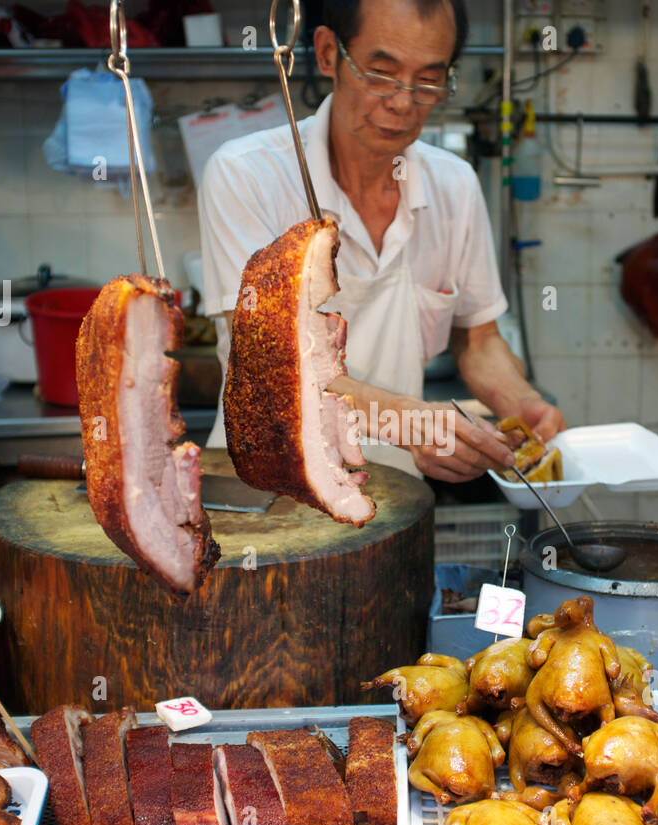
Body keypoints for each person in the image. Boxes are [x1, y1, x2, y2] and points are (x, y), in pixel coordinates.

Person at [198, 0, 565, 481]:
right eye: (381, 73)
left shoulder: (455, 185)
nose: (402, 102)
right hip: (264, 499)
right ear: (329, 53)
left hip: (391, 500)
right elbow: (273, 365)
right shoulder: (247, 175)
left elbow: (478, 340)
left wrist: (524, 402)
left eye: (429, 80)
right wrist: (408, 419)